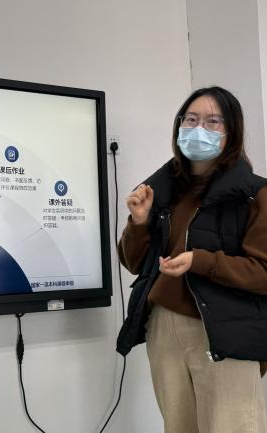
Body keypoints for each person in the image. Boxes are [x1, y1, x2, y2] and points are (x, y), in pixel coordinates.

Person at [116, 86, 267, 433]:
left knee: (233, 427)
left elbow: (263, 272)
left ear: (232, 132)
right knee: (178, 427)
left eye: (213, 121)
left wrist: (200, 261)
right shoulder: (162, 191)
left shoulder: (255, 194)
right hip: (164, 326)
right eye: (191, 119)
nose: (199, 129)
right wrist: (139, 222)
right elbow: (134, 263)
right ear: (178, 125)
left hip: (226, 330)